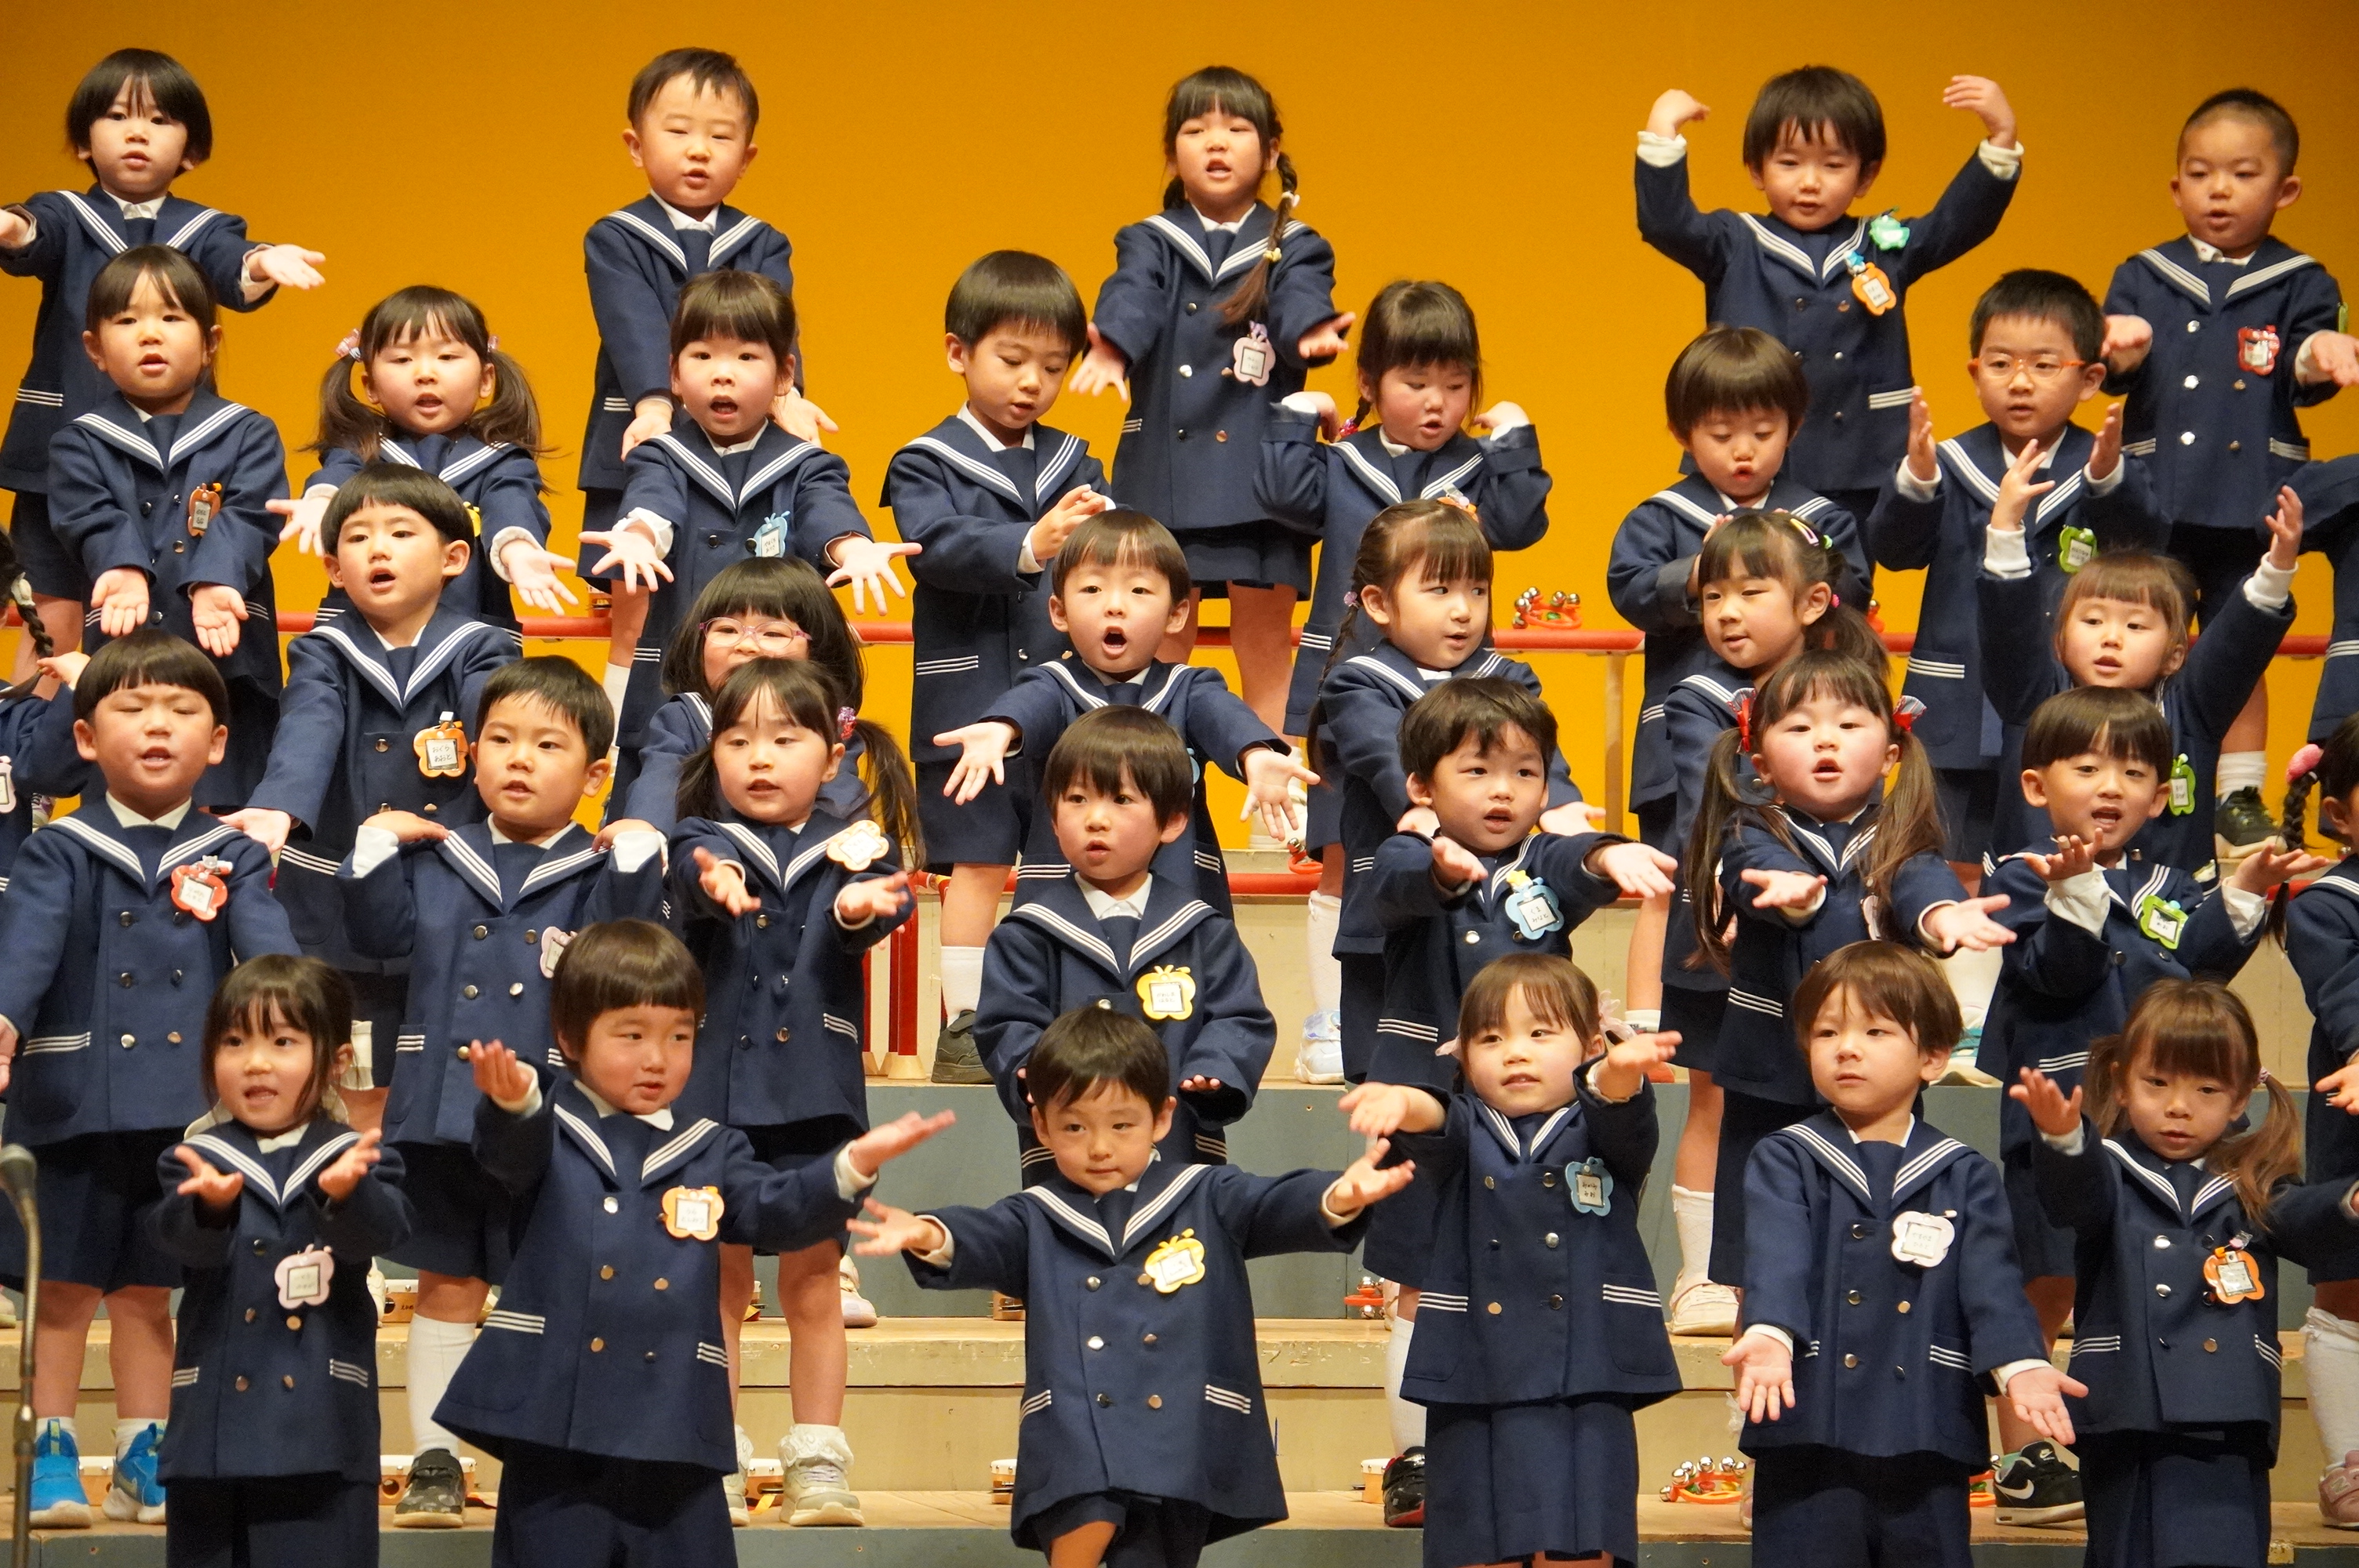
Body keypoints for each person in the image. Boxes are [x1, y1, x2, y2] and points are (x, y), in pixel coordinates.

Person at [434, 919, 952, 1566]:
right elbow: (508, 1154)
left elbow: (778, 1210)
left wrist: (850, 1166)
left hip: (676, 1425)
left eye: (679, 1036)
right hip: (555, 1427)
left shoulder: (710, 1146)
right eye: (632, 1036)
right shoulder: (547, 1127)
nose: (657, 1058)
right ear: (568, 1037)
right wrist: (513, 1106)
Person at [851, 1004, 1408, 1568]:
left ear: (1162, 1118)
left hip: (1179, 1434)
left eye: (1122, 1125)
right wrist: (928, 1233)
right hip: (1073, 1426)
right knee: (1085, 1512)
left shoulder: (1205, 1194)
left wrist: (1340, 1195)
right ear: (1041, 1125)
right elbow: (979, 1237)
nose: (1099, 1147)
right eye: (1074, 1127)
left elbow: (1278, 1203)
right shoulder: (1036, 1213)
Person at [335, 656, 667, 1526]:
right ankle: (436, 1458)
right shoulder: (439, 854)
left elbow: (629, 951)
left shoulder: (597, 867)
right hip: (443, 1111)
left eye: (549, 744)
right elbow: (376, 933)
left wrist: (639, 856)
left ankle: (547, 1455)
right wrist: (371, 847)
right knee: (447, 1280)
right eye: (502, 740)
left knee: (550, 1285)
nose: (520, 758)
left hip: (555, 1120)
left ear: (595, 774)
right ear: (472, 753)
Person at [1304, 499, 1587, 1519]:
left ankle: (1526, 1439)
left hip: (1518, 1013)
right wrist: (1431, 824)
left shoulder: (1513, 680)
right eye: (1439, 588)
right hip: (1408, 972)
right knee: (1421, 1252)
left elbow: (1552, 779)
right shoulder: (1357, 680)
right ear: (1379, 603)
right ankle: (1418, 1456)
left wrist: (1577, 825)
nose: (1463, 608)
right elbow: (1389, 769)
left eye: (1476, 587)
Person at [1977, 687, 2307, 1521]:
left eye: (2132, 773)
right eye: (2086, 767)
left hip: (2161, 1127)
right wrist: (2074, 896)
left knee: (2137, 1272)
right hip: (2064, 1115)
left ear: (2160, 798)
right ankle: (2023, 1455)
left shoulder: (2169, 881)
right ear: (2035, 785)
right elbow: (2057, 973)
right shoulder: (2023, 873)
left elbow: (2197, 965)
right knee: (2045, 1281)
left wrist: (2241, 893)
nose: (2110, 786)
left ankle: (2144, 1414)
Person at [0, 629, 300, 1528]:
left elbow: (269, 962)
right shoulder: (60, 847)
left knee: (147, 1290)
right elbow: (25, 949)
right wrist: (4, 1020)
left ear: (218, 740)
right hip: (72, 1102)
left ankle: (143, 1450)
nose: (157, 725)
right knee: (62, 1289)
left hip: (184, 1113)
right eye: (131, 708)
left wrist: (298, 1034)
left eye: (181, 709)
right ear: (86, 737)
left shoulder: (233, 853)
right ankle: (51, 1449)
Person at [1356, 681, 1675, 1522]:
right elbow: (1394, 888)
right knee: (1418, 1276)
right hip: (1429, 1108)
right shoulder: (1403, 854)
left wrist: (1606, 856)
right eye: (1476, 771)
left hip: (1541, 1123)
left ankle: (1531, 1429)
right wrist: (1437, 866)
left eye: (1525, 772)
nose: (1502, 791)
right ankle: (1418, 1455)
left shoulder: (1542, 862)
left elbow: (1573, 861)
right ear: (1421, 784)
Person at [1260, 278, 1553, 1078]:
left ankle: (1464, 1014)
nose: (1435, 403)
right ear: (1369, 381)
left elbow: (1521, 522)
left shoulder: (1477, 466)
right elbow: (1282, 495)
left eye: (1455, 385)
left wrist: (1514, 442)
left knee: (1463, 849)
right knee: (1340, 852)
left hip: (1460, 697)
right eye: (1414, 382)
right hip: (1355, 689)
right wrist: (1295, 416)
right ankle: (1329, 1017)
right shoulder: (1342, 461)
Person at [1723, 942, 2079, 1566]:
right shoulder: (1786, 1156)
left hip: (1925, 1424)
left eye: (1875, 1031)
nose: (1846, 1048)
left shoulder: (1964, 1172)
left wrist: (2021, 1363)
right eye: (1827, 1032)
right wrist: (1771, 1331)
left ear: (1933, 1058)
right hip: (1810, 1423)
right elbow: (1777, 1255)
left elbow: (1992, 1287)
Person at [669, 655, 918, 1525]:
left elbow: (885, 901)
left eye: (783, 739)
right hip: (712, 1102)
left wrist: (858, 912)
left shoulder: (857, 843)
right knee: (716, 1283)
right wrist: (713, 882)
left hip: (816, 1095)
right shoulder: (700, 835)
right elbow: (689, 872)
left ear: (833, 752)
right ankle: (713, 1456)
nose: (760, 758)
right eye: (738, 741)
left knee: (813, 1283)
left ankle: (816, 1456)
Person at [1685, 650, 2011, 1291]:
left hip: (1880, 1072)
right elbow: (1752, 873)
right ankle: (1760, 1343)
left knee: (1874, 1226)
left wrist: (1943, 917)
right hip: (1771, 1064)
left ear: (1890, 755)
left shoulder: (1901, 836)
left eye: (1849, 724)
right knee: (1762, 1242)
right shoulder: (1752, 830)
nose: (1825, 740)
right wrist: (1790, 895)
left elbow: (1919, 883)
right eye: (1800, 727)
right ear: (1761, 763)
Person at [1343, 953, 1682, 1568]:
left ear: (1590, 1045)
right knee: (1476, 1543)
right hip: (1476, 1368)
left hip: (1585, 1367)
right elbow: (1433, 1117)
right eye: (1491, 1038)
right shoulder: (1469, 1125)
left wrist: (1618, 1072)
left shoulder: (1603, 1123)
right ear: (1463, 1056)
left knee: (1579, 1543)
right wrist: (1402, 1100)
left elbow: (1619, 1107)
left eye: (1539, 1033)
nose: (1515, 1054)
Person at [1630, 511, 1882, 1333]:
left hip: (1836, 943)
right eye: (1712, 597)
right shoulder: (1700, 696)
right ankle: (1704, 1273)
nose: (1727, 613)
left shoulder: (1852, 691)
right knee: (1716, 1099)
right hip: (1727, 928)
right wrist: (1732, 891)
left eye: (1750, 592)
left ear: (1811, 602)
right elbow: (1708, 809)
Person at [0, 48, 324, 671]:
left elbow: (231, 264)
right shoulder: (66, 213)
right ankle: (38, 731)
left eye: (159, 120)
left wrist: (261, 261)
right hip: (64, 447)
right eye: (117, 116)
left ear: (191, 152)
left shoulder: (205, 228)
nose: (137, 133)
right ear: (83, 142)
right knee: (55, 612)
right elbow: (34, 229)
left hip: (173, 462)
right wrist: (12, 228)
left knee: (178, 602)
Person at [2099, 89, 2359, 862]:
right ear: (2174, 185)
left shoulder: (2300, 280)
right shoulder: (2143, 274)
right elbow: (2108, 362)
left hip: (2248, 502)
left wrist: (2319, 355)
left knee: (2238, 645)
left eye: (2242, 175)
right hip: (2155, 498)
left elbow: (2305, 360)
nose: (2219, 191)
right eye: (2200, 173)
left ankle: (2237, 795)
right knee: (2136, 642)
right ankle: (2124, 772)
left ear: (2285, 189)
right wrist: (2116, 346)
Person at [2017, 980, 2359, 1568]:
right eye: (2157, 1083)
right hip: (2128, 1409)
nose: (2179, 1106)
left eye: (2207, 1089)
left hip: (2228, 1410)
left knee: (2225, 1548)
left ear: (2240, 1098)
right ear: (2121, 1083)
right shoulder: (2109, 1169)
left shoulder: (2251, 1178)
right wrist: (2062, 1138)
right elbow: (2074, 1196)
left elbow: (2301, 1218)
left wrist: (2349, 1203)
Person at [221, 464, 515, 1115]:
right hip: (338, 882)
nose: (378, 549)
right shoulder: (323, 650)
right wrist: (278, 805)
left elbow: (500, 728)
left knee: (439, 1059)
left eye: (401, 533)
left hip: (445, 879)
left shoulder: (483, 648)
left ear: (454, 558)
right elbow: (310, 725)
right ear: (333, 569)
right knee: (344, 1061)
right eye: (357, 538)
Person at [1068, 64, 1351, 734]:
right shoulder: (1151, 239)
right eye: (1196, 130)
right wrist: (1112, 346)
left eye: (1236, 129)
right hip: (1166, 473)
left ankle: (1272, 794)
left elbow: (1299, 299)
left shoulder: (1296, 244)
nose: (1216, 143)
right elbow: (1132, 293)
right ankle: (1156, 781)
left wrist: (1309, 332)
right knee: (1160, 640)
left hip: (1263, 473)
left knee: (1265, 642)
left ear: (1272, 152)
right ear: (1173, 155)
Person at [885, 248, 1108, 1083]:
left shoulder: (1076, 458)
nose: (1032, 383)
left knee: (1066, 857)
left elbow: (1108, 552)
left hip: (1061, 703)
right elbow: (936, 547)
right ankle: (967, 1026)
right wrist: (1029, 543)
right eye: (1012, 360)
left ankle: (1062, 1014)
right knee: (977, 866)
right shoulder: (923, 459)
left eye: (1052, 366)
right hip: (966, 702)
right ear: (958, 352)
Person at [1871, 268, 2167, 880]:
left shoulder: (2102, 466)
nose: (2021, 382)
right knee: (1939, 861)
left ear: (2090, 379)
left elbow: (2144, 546)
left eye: (2044, 365)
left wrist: (2108, 479)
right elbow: (1895, 551)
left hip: (2062, 710)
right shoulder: (1948, 463)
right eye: (2001, 364)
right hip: (1957, 700)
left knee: (2044, 862)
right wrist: (1917, 480)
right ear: (1975, 372)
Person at [1637, 65, 2021, 521]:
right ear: (1756, 169)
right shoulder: (1733, 242)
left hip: (1863, 454)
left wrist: (2001, 141)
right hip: (1752, 460)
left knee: (1855, 565)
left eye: (1833, 165)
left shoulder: (1884, 244)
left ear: (1865, 176)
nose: (1810, 182)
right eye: (1789, 163)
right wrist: (1661, 134)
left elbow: (1957, 224)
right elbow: (1666, 223)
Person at [581, 269, 907, 788]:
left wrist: (854, 549)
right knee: (658, 798)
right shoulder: (661, 456)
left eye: (746, 357)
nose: (722, 375)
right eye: (702, 356)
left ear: (784, 375)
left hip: (778, 687)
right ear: (674, 374)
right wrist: (637, 537)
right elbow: (653, 506)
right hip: (677, 686)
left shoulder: (806, 463)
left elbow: (827, 512)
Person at [574, 47, 816, 732]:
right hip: (644, 432)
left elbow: (774, 325)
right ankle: (619, 745)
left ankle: (752, 731)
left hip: (742, 443)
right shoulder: (616, 237)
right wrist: (656, 400)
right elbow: (632, 324)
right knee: (637, 606)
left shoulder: (762, 240)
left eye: (721, 136)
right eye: (678, 131)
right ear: (636, 145)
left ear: (748, 157)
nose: (699, 150)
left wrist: (790, 397)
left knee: (748, 604)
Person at [152, 955, 413, 1567]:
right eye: (234, 1042)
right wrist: (211, 1210)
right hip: (211, 1435)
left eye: (283, 1042)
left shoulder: (356, 1155)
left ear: (337, 1061)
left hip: (323, 1431)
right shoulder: (197, 1157)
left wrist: (346, 1195)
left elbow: (385, 1232)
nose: (256, 1062)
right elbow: (178, 1244)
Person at [933, 510, 1313, 913]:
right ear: (1059, 612)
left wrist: (1254, 753)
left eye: (1139, 590)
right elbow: (1027, 706)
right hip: (1064, 891)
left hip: (1175, 885)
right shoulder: (1053, 684)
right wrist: (1001, 728)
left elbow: (1225, 720)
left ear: (1176, 615)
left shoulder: (1190, 687)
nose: (1115, 606)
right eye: (1093, 589)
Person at [977, 707, 1277, 1187]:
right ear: (1053, 818)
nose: (1096, 819)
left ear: (1173, 820)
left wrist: (1215, 1070)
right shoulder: (1027, 933)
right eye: (1076, 799)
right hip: (1067, 1159)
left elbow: (1240, 1018)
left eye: (1120, 799)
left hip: (1180, 1150)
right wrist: (1035, 1069)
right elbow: (1006, 1023)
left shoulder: (1203, 930)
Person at [43, 245, 284, 803]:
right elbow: (88, 514)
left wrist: (216, 578)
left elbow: (251, 514)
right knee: (125, 800)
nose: (150, 335)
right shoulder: (79, 440)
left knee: (228, 806)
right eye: (127, 321)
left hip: (228, 657)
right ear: (95, 349)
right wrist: (122, 567)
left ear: (210, 343)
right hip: (124, 653)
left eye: (172, 318)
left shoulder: (248, 432)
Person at [1979, 488, 2302, 879]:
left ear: (2175, 655)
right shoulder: (2034, 698)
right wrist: (2005, 532)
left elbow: (2237, 645)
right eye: (2093, 621)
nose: (2111, 638)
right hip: (2036, 898)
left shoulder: (2191, 709)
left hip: (2167, 906)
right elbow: (2009, 627)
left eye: (2135, 625)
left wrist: (2276, 571)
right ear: (2060, 642)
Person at [273, 285, 572, 630]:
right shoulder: (363, 449)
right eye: (402, 360)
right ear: (370, 386)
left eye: (447, 357)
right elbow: (339, 472)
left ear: (486, 379)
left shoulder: (502, 459)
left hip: (467, 631)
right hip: (364, 633)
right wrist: (323, 501)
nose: (425, 373)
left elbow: (511, 501)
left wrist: (517, 549)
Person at [617, 555, 898, 834]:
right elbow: (661, 780)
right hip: (704, 853)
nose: (746, 645)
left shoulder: (824, 722)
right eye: (727, 629)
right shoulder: (685, 717)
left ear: (818, 651)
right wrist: (646, 826)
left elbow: (841, 797)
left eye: (773, 633)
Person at [2277, 713, 2359, 1523]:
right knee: (2349, 1286)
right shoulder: (2327, 903)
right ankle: (2347, 1467)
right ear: (2339, 812)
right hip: (2353, 1117)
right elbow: (2344, 994)